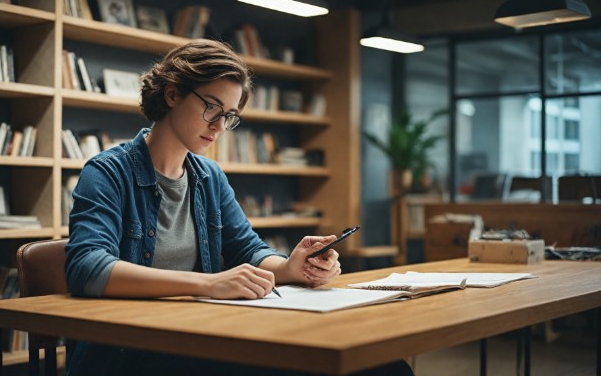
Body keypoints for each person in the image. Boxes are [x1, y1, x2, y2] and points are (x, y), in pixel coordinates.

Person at [64, 39, 413, 375]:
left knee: (382, 365)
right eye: (211, 107)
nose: (218, 126)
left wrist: (290, 267)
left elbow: (246, 248)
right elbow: (88, 268)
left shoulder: (209, 176)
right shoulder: (108, 171)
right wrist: (206, 283)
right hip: (129, 352)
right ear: (172, 94)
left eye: (228, 115)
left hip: (203, 335)